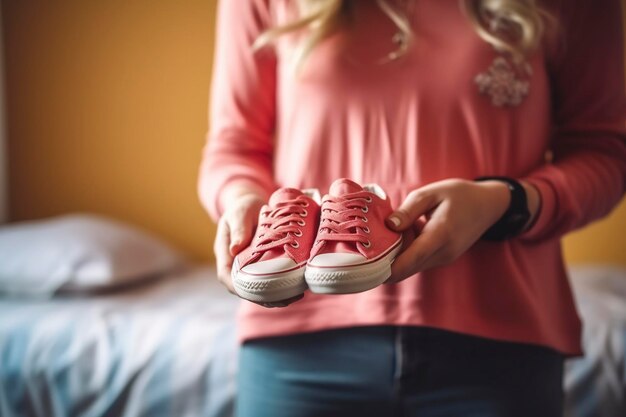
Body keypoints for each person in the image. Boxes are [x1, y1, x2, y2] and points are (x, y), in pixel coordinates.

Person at [198, 0, 626, 415]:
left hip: (500, 331)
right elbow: (234, 148)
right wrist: (242, 203)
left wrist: (507, 202)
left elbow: (605, 152)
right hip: (298, 336)